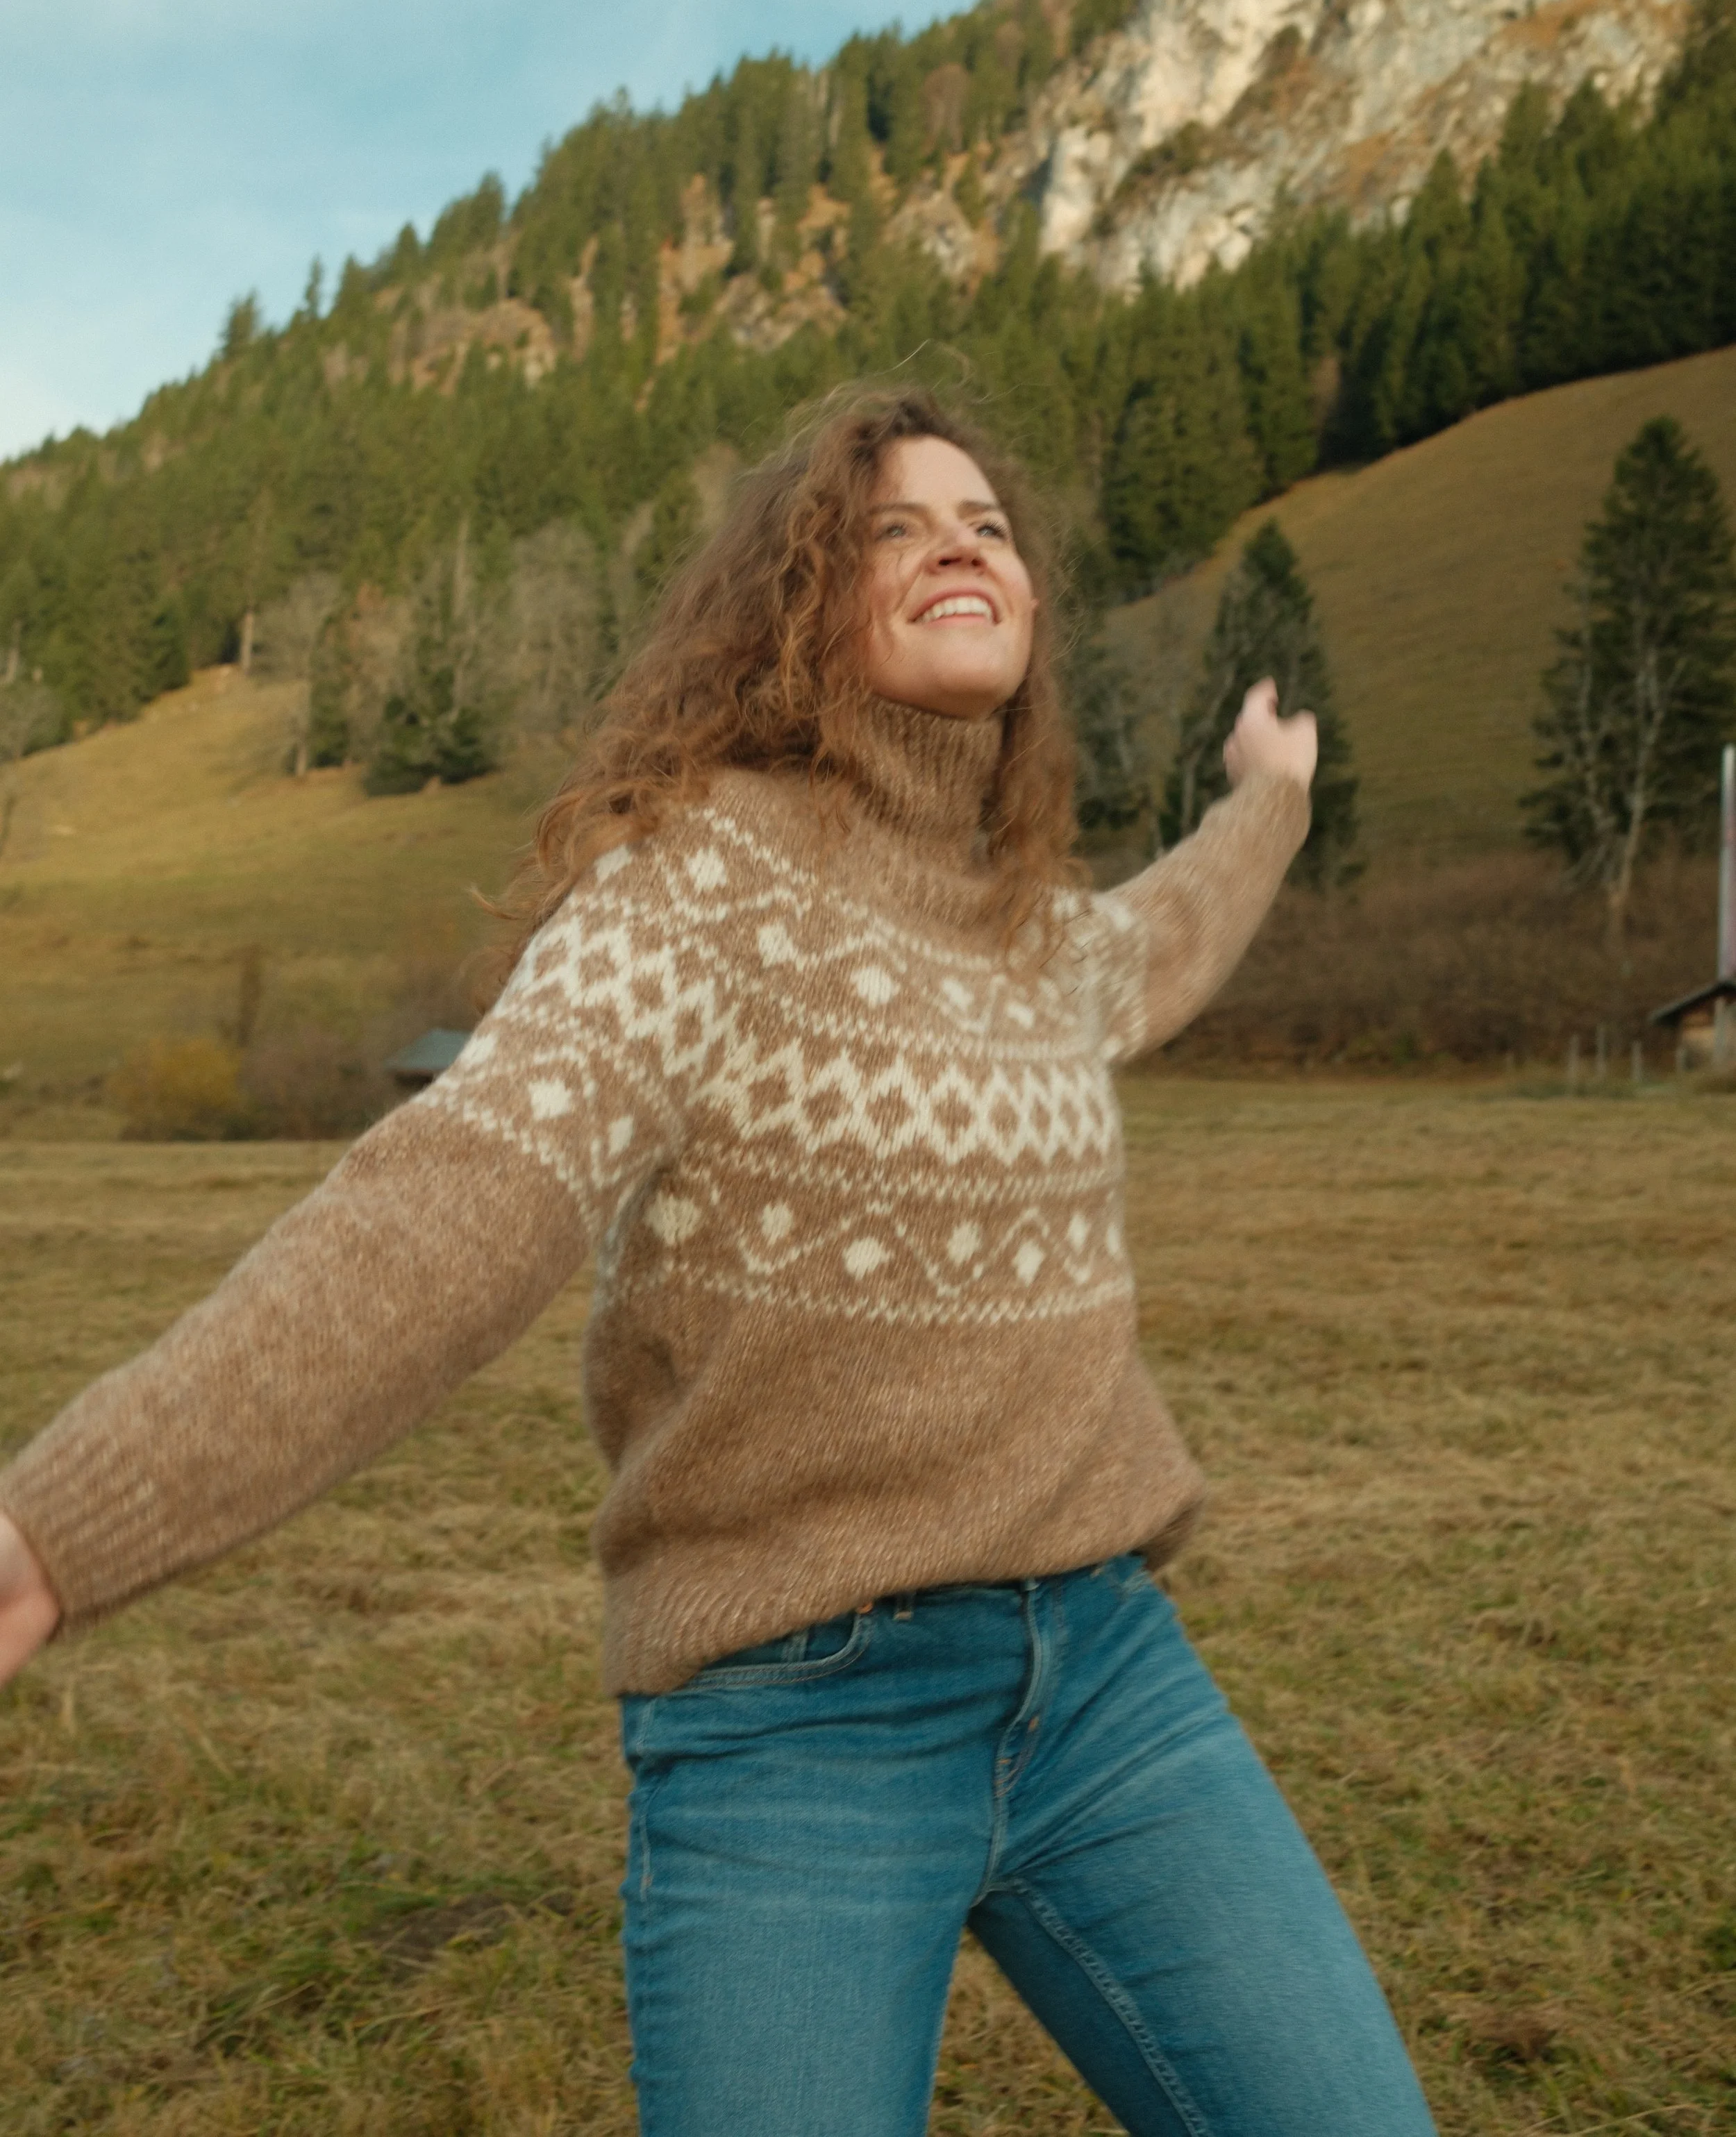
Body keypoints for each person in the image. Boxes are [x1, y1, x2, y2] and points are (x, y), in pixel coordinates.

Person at [0, 387, 1435, 2137]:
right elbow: (452, 1203)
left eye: (982, 520)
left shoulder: (1024, 930)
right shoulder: (690, 892)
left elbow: (1164, 943)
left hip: (1112, 1680)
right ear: (798, 603)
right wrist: (59, 1526)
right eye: (893, 528)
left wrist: (1267, 804)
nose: (957, 544)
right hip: (795, 1729)